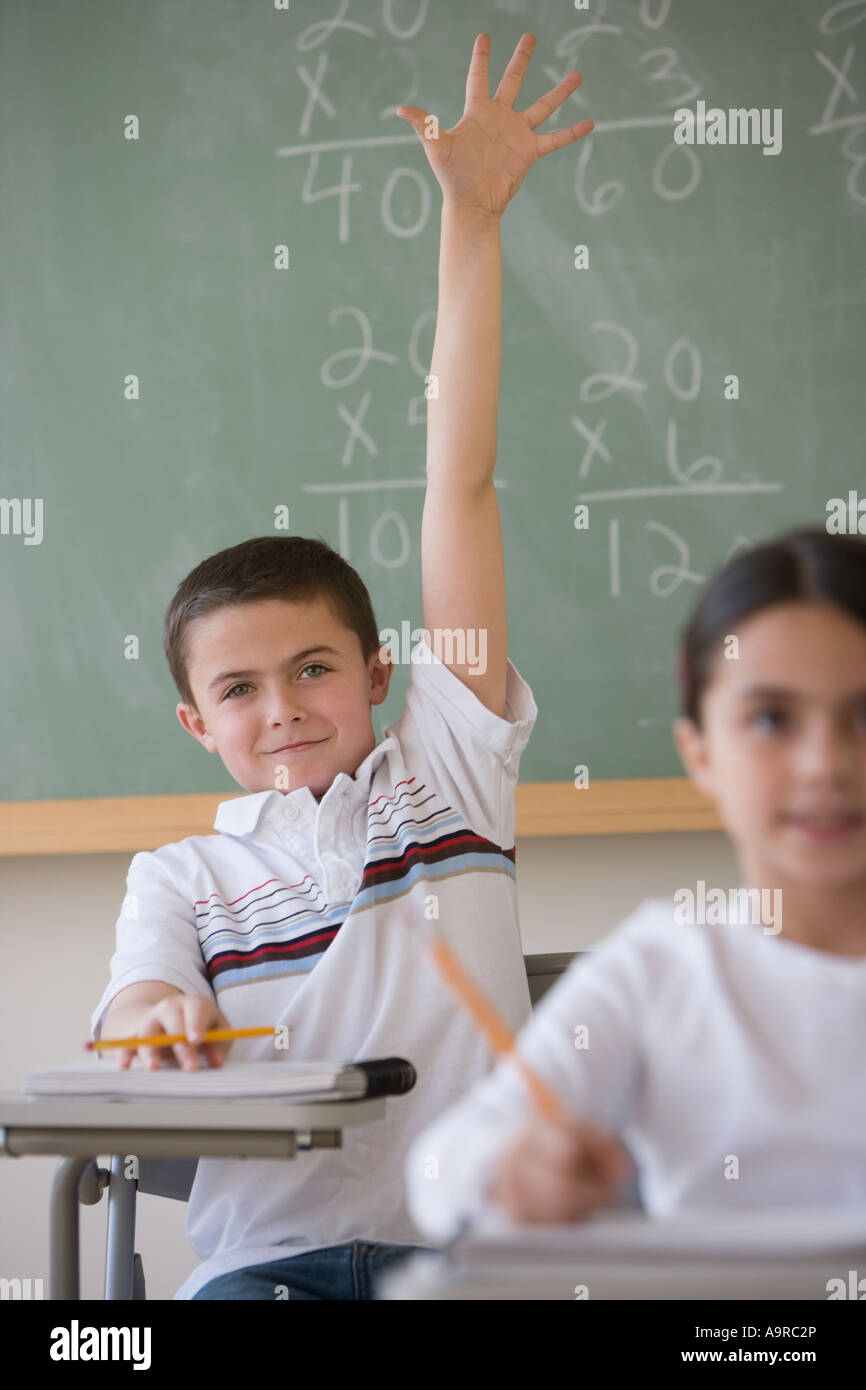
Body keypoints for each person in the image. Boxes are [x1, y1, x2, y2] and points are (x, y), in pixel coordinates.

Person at [89, 32, 595, 1299]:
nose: (282, 709)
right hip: (271, 1268)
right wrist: (153, 1018)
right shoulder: (184, 875)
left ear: (379, 672)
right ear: (196, 723)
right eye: (239, 690)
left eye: (312, 668)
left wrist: (469, 224)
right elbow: (140, 996)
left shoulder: (449, 768)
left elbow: (457, 483)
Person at [405, 529, 866, 1240]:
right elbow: (439, 1170)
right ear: (701, 753)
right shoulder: (664, 966)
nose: (822, 765)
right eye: (772, 719)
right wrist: (506, 1168)